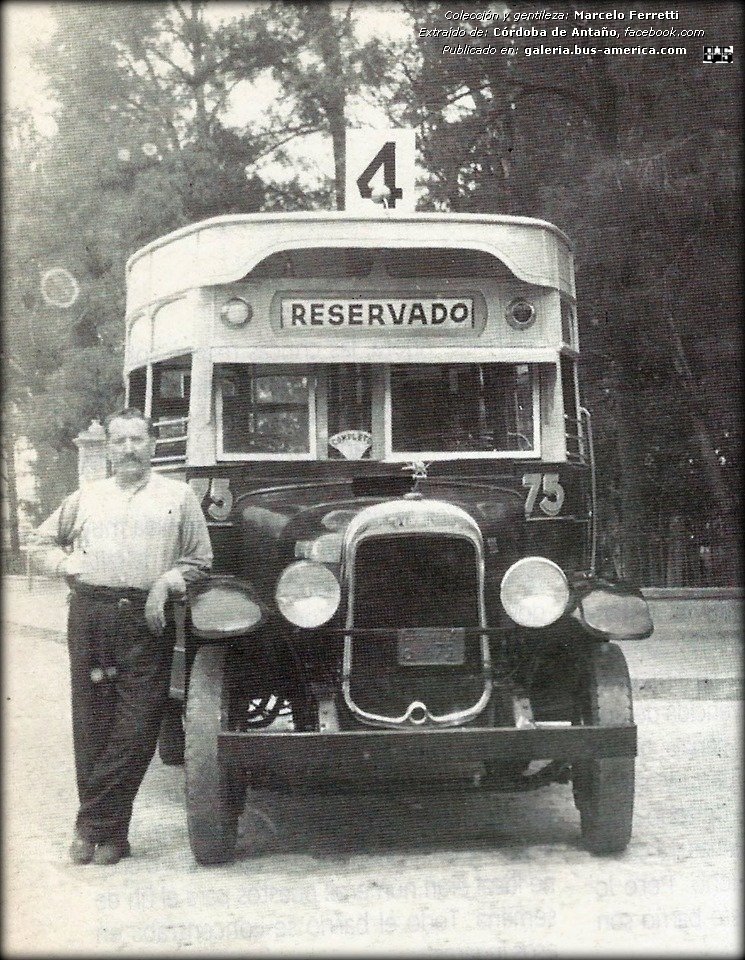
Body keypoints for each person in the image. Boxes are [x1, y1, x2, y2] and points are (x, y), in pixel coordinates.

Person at [30, 408, 212, 865]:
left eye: (137, 440)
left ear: (153, 445)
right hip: (91, 616)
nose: (128, 449)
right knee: (93, 725)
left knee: (137, 726)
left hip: (145, 621)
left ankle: (89, 824)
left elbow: (199, 562)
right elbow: (39, 543)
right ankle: (112, 835)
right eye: (119, 441)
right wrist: (68, 566)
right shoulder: (87, 497)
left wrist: (167, 583)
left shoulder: (179, 496)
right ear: (108, 449)